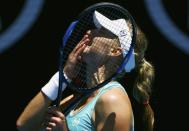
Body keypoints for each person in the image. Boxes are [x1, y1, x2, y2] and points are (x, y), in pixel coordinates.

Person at [16, 9, 155, 131]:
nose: (89, 31)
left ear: (115, 51)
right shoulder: (75, 98)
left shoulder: (113, 99)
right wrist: (63, 76)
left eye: (102, 31)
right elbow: (24, 125)